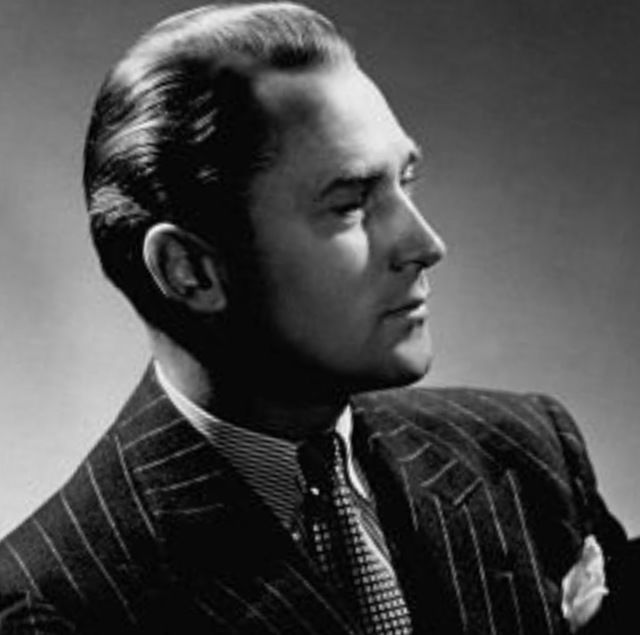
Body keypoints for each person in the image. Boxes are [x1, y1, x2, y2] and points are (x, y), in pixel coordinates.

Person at [0, 3, 636, 633]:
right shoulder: (52, 607)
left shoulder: (525, 456)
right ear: (189, 269)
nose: (425, 244)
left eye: (406, 181)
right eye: (350, 204)